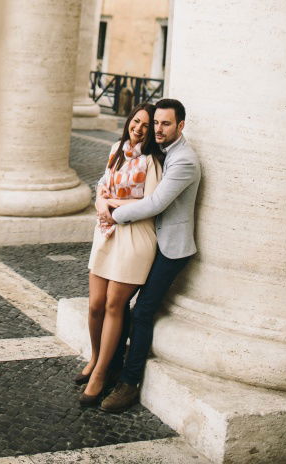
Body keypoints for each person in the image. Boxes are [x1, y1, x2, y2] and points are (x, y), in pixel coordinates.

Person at [98, 97, 201, 413]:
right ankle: (111, 366)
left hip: (172, 249)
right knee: (119, 303)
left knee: (141, 310)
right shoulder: (160, 150)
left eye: (165, 124)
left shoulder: (184, 161)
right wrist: (106, 198)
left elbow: (155, 204)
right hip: (151, 240)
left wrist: (114, 213)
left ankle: (129, 384)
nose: (157, 129)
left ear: (180, 126)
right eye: (156, 122)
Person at [76, 102, 164, 407]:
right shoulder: (116, 148)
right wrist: (103, 202)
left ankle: (101, 374)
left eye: (146, 125)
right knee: (95, 305)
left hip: (135, 237)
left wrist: (111, 204)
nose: (138, 129)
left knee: (115, 304)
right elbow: (102, 184)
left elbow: (149, 203)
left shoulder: (153, 161)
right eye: (136, 122)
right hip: (106, 232)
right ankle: (95, 358)